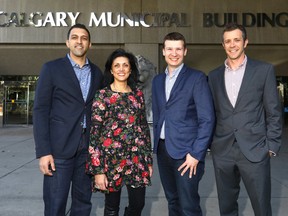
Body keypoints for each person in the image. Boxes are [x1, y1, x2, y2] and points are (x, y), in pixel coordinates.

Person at [208, 23, 282, 216]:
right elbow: (212, 113)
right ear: (223, 45)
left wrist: (271, 146)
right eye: (228, 41)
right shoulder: (214, 76)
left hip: (255, 150)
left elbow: (273, 110)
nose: (232, 45)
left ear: (245, 42)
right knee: (227, 208)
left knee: (262, 208)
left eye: (236, 40)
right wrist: (211, 145)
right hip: (223, 151)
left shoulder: (263, 70)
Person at [33, 23, 103, 216]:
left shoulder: (97, 73)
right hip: (58, 150)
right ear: (67, 42)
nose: (79, 41)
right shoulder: (51, 68)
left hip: (86, 148)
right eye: (75, 37)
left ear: (90, 44)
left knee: (83, 204)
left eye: (84, 38)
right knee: (56, 204)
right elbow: (40, 110)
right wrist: (43, 151)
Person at [152, 32, 215, 216]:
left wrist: (196, 154)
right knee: (173, 202)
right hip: (163, 151)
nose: (174, 53)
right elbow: (158, 115)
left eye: (178, 48)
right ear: (163, 51)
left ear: (185, 51)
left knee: (189, 206)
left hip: (187, 155)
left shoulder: (197, 78)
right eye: (170, 49)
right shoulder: (157, 80)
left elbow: (207, 119)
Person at [86, 48, 153, 216]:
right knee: (111, 208)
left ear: (130, 69)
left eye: (125, 65)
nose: (121, 69)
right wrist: (98, 171)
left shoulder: (137, 95)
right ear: (111, 69)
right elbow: (95, 135)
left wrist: (148, 160)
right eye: (117, 65)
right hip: (110, 161)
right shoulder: (102, 96)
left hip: (137, 160)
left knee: (138, 204)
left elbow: (144, 128)